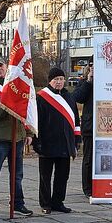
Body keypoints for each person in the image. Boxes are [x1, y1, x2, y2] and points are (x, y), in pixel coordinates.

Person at [0, 56, 33, 219]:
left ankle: (18, 203)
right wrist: (6, 104)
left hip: (17, 136)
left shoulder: (16, 85)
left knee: (17, 175)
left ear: (6, 67)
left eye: (1, 66)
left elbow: (26, 109)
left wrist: (29, 132)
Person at [34, 67, 80, 214]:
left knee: (62, 176)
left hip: (65, 144)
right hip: (47, 143)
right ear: (50, 81)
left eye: (61, 79)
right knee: (45, 177)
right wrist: (37, 142)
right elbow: (36, 121)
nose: (59, 82)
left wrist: (76, 139)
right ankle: (45, 204)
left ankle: (58, 202)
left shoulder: (69, 97)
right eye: (56, 79)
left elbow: (76, 120)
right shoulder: (41, 97)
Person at [71, 63, 94, 197]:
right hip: (90, 126)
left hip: (108, 125)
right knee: (88, 158)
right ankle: (88, 188)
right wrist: (89, 81)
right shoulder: (85, 81)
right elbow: (78, 97)